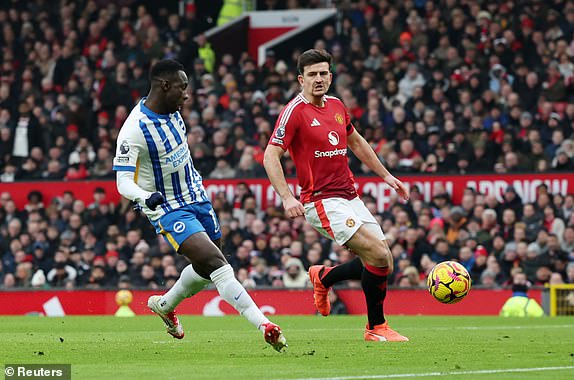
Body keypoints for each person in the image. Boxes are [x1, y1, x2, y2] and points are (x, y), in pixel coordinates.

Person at [113, 59, 286, 351]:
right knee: (218, 263)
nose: (187, 94)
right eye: (183, 87)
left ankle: (165, 305)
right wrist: (145, 198)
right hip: (167, 208)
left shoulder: (174, 112)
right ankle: (265, 324)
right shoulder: (134, 130)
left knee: (205, 267)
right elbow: (122, 182)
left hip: (197, 197)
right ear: (164, 86)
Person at [264, 49, 409, 342]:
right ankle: (375, 327)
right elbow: (270, 155)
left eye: (323, 73)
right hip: (320, 201)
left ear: (330, 76)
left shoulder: (336, 105)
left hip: (349, 196)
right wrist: (286, 196)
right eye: (312, 75)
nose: (318, 79)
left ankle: (324, 277)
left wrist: (387, 176)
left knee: (385, 262)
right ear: (300, 79)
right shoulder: (294, 112)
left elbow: (356, 141)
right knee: (378, 255)